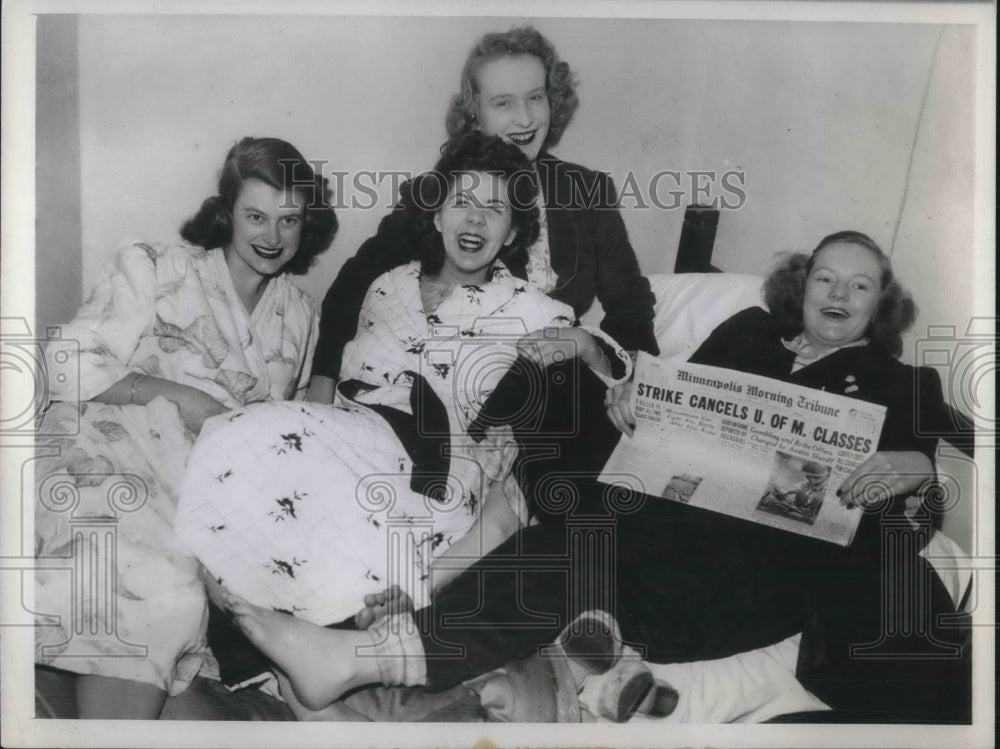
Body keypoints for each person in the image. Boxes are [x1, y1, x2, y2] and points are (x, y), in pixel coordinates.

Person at [218, 230, 968, 722]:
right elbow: (683, 402)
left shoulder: (900, 385)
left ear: (881, 302)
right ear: (802, 284)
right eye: (826, 278)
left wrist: (916, 470)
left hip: (759, 565)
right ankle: (572, 638)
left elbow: (916, 523)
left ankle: (356, 659)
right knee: (571, 422)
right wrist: (633, 395)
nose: (837, 296)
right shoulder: (747, 332)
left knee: (586, 543)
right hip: (669, 514)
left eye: (859, 286)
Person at [177, 133, 629, 634]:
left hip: (434, 478)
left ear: (515, 234)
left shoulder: (535, 311)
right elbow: (335, 370)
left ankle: (316, 622)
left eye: (494, 209)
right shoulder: (386, 285)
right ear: (437, 216)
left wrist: (586, 345)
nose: (475, 219)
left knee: (249, 441)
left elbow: (606, 386)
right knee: (241, 453)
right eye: (462, 202)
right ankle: (287, 626)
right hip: (340, 445)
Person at [33, 137, 338, 718]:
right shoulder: (153, 264)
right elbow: (65, 363)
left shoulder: (300, 315)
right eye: (255, 216)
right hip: (110, 462)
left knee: (193, 600)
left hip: (201, 495)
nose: (272, 236)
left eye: (288, 219)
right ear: (226, 211)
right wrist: (180, 395)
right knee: (157, 587)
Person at [308, 25, 658, 404]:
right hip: (467, 390)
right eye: (503, 103)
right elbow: (351, 287)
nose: (524, 119)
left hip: (558, 385)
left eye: (535, 98)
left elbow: (629, 304)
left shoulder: (585, 191)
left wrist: (633, 382)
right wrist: (321, 385)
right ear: (474, 114)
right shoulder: (437, 194)